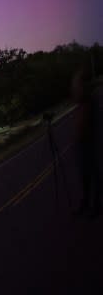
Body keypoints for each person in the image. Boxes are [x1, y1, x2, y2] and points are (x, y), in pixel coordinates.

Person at [73, 64, 101, 217]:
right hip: (84, 142)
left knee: (93, 173)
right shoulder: (84, 101)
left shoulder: (88, 100)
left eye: (77, 84)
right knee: (86, 175)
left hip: (88, 142)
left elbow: (87, 123)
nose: (74, 88)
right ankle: (87, 202)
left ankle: (96, 205)